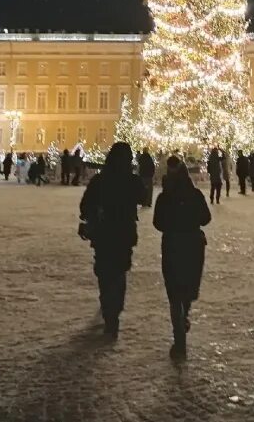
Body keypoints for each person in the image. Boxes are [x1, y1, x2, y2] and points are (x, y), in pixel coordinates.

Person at [79, 142, 144, 339]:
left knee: (105, 274)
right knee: (119, 273)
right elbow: (142, 197)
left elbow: (85, 206)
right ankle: (114, 311)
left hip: (104, 234)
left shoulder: (100, 180)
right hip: (123, 234)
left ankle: (109, 312)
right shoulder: (132, 181)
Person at [153, 155, 212, 359]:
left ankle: (179, 340)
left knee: (174, 292)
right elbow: (206, 218)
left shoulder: (164, 197)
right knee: (187, 286)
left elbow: (158, 223)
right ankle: (184, 315)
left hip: (172, 245)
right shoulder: (194, 194)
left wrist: (172, 224)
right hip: (193, 245)